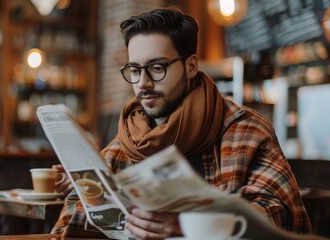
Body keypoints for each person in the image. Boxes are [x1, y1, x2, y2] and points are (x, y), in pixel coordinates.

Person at [52, 6, 312, 239]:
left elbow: (281, 213)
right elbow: (73, 214)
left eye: (156, 67)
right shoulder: (131, 135)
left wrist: (188, 225)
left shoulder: (246, 129)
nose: (143, 82)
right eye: (134, 70)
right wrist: (89, 193)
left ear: (190, 65)